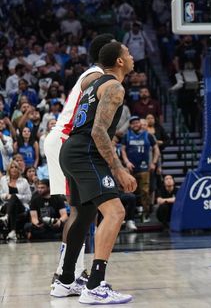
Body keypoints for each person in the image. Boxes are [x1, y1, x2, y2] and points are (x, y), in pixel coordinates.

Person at [52, 41, 137, 302]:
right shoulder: (114, 87)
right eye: (129, 54)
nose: (132, 57)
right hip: (86, 152)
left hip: (70, 150)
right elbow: (98, 131)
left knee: (86, 212)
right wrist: (119, 168)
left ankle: (65, 280)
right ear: (120, 61)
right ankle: (95, 286)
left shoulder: (93, 84)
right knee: (116, 212)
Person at [43, 33, 113, 286]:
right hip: (65, 139)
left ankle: (69, 273)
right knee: (82, 211)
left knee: (83, 211)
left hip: (63, 140)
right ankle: (67, 275)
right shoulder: (96, 77)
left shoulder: (92, 74)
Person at [120, 115, 159, 221]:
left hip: (144, 168)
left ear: (140, 124)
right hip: (130, 169)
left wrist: (154, 163)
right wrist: (126, 162)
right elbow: (122, 150)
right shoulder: (126, 136)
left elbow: (156, 149)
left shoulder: (148, 135)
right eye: (133, 123)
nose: (135, 124)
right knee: (128, 192)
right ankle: (128, 217)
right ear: (130, 125)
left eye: (137, 122)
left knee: (145, 192)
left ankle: (145, 215)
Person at [0, 161, 32, 240]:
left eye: (16, 167)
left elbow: (29, 197)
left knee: (14, 197)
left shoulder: (24, 181)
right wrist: (6, 196)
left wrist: (16, 196)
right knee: (12, 205)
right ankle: (13, 232)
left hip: (21, 205)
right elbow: (1, 194)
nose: (14, 169)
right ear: (9, 169)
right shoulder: (3, 179)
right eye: (12, 167)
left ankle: (6, 217)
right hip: (7, 205)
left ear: (19, 169)